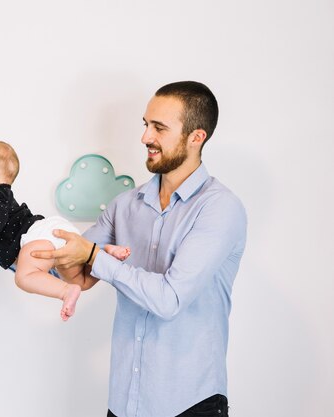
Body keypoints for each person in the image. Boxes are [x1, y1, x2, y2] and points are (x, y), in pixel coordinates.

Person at [32, 81, 247, 416]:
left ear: (196, 137)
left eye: (159, 128)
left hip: (190, 405)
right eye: (146, 125)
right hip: (124, 404)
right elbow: (71, 267)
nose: (145, 137)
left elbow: (169, 299)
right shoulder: (126, 205)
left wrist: (94, 256)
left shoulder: (220, 209)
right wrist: (4, 242)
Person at [0, 141, 130, 321]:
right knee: (80, 280)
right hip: (51, 232)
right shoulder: (1, 195)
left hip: (35, 235)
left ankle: (65, 291)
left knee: (24, 277)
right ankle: (104, 253)